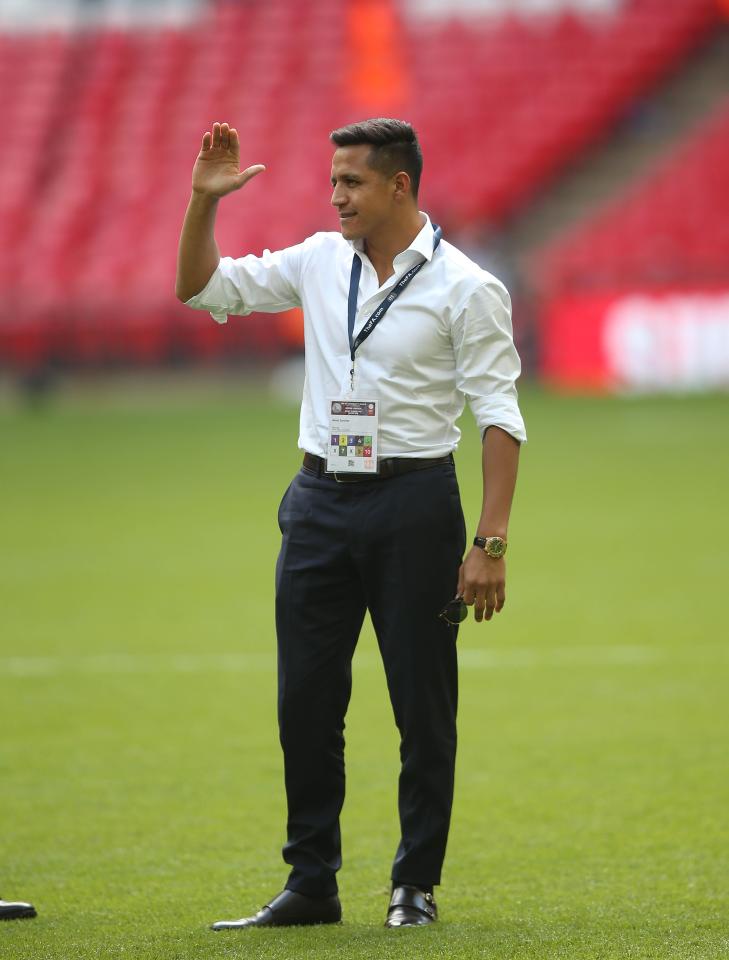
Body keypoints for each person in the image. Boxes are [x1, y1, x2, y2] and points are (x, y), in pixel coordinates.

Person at [176, 118, 526, 929]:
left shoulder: (465, 287)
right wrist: (202, 203)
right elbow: (200, 288)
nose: (335, 195)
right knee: (304, 699)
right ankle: (311, 884)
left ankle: (414, 885)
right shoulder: (317, 259)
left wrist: (490, 541)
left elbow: (499, 417)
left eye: (352, 183)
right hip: (318, 501)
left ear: (398, 186)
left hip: (414, 508)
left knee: (421, 704)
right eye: (332, 180)